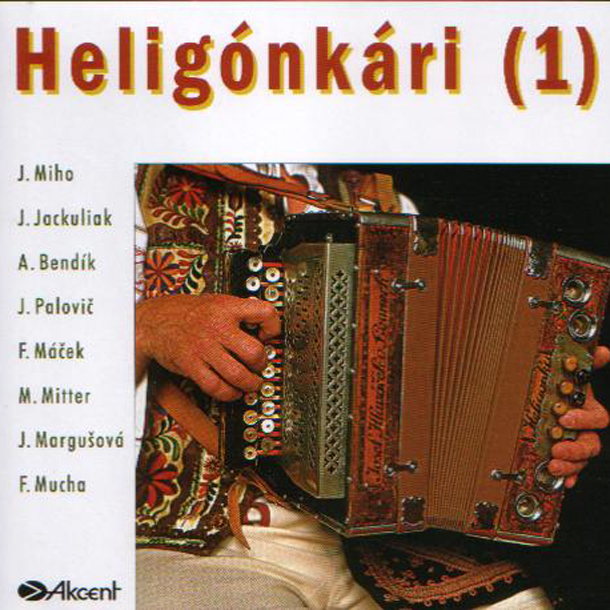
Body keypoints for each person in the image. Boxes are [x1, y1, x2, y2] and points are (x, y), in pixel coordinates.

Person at [134, 163, 610, 609]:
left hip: (382, 553)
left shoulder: (383, 205)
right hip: (199, 547)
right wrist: (144, 326)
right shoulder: (133, 183)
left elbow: (440, 390)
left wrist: (540, 412)